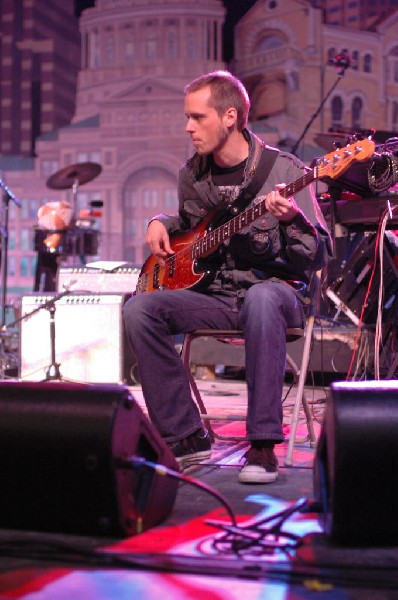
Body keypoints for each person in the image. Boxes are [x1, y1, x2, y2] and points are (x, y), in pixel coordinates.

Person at [123, 70, 332, 484]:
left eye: (198, 117)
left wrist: (293, 221)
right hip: (217, 297)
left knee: (261, 298)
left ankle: (262, 445)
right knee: (139, 309)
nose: (188, 127)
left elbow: (319, 254)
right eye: (188, 117)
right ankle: (184, 436)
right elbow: (188, 225)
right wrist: (158, 220)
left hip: (277, 296)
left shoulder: (284, 171)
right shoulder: (192, 175)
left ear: (231, 116)